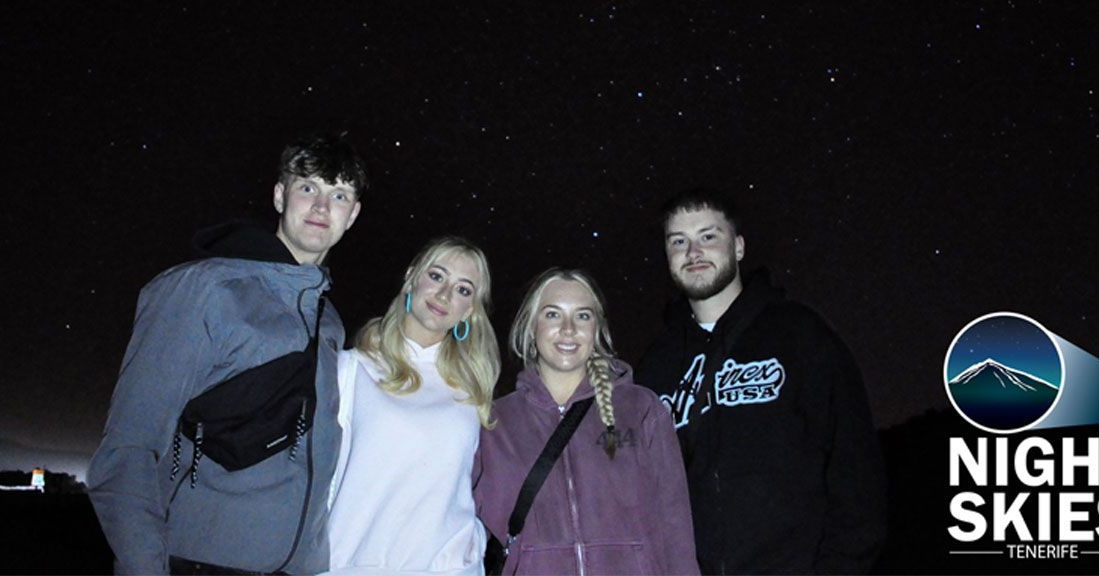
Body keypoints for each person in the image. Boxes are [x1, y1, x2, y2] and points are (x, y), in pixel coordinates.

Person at [88, 132, 368, 575]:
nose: (320, 207)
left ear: (352, 215)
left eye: (338, 195)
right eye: (307, 187)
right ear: (279, 196)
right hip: (197, 561)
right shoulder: (204, 290)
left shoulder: (328, 321)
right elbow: (128, 449)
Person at [635, 189, 887, 575]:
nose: (693, 252)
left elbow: (856, 469)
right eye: (678, 241)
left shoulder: (799, 334)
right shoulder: (656, 366)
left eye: (708, 236)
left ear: (738, 247)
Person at [475, 268, 699, 576]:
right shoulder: (494, 424)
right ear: (530, 326)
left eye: (582, 316)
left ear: (597, 328)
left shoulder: (641, 409)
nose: (568, 329)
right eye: (553, 314)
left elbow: (675, 525)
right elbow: (460, 527)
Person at [323, 237, 499, 576]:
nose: (445, 294)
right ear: (411, 277)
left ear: (470, 309)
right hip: (353, 563)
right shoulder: (351, 368)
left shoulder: (474, 390)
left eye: (463, 289)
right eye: (436, 276)